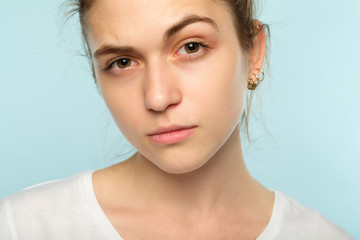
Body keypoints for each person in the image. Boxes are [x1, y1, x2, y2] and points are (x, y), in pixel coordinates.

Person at [0, 0, 353, 239]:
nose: (157, 97)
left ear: (255, 52)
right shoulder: (23, 227)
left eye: (191, 47)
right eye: (122, 62)